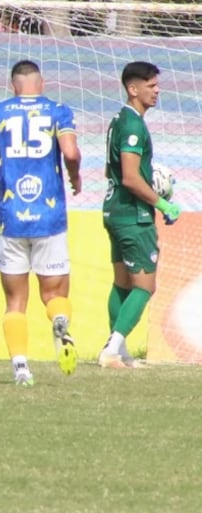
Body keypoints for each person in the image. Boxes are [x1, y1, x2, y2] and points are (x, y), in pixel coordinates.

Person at [0, 60, 82, 386]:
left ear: (13, 85)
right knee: (53, 293)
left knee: (15, 301)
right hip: (49, 216)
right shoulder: (58, 111)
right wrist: (74, 176)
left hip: (11, 218)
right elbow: (71, 153)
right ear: (42, 83)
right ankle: (59, 320)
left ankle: (21, 367)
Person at [99, 61, 181, 369]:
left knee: (122, 282)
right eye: (150, 85)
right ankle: (111, 350)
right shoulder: (133, 125)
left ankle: (118, 352)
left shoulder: (119, 120)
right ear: (133, 89)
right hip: (134, 215)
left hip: (113, 209)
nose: (157, 90)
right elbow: (132, 178)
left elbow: (111, 169)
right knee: (145, 286)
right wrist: (162, 203)